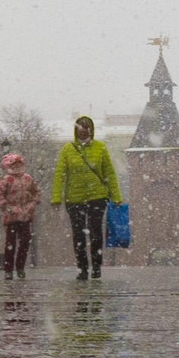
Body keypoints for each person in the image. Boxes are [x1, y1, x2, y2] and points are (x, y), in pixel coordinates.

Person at [50, 116, 122, 280]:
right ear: (76, 131)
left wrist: (116, 196)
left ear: (91, 130)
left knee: (96, 231)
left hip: (97, 196)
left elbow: (109, 173)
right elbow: (59, 174)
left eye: (86, 129)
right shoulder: (67, 149)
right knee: (78, 234)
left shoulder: (100, 147)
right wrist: (56, 198)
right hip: (74, 199)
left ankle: (96, 266)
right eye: (80, 130)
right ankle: (82, 268)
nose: (83, 132)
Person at [0, 152, 41, 278]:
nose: (17, 168)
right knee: (11, 243)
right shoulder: (7, 180)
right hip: (11, 216)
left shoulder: (28, 179)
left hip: (26, 215)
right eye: (14, 166)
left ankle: (20, 266)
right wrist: (5, 205)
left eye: (19, 165)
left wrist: (33, 203)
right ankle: (8, 269)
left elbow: (36, 191)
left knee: (25, 241)